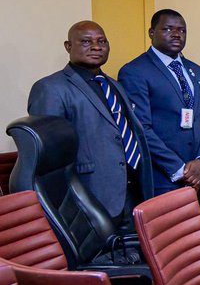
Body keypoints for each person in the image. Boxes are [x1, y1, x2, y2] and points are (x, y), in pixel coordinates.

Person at [28, 21, 155, 225]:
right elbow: (50, 157)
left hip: (132, 192)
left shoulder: (114, 85)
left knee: (135, 254)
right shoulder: (51, 88)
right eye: (86, 41)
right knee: (98, 257)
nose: (96, 47)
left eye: (102, 41)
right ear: (68, 46)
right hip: (89, 195)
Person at [118, 9, 200, 196]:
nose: (176, 34)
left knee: (199, 226)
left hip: (199, 172)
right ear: (151, 33)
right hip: (163, 177)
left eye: (181, 30)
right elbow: (141, 128)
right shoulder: (135, 71)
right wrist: (180, 169)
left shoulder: (196, 70)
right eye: (168, 29)